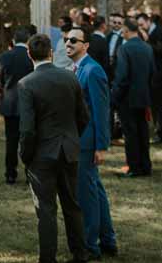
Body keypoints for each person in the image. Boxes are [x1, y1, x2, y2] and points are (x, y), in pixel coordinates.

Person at [18, 33, 90, 263]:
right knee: (72, 206)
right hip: (69, 149)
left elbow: (27, 129)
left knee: (46, 211)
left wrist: (26, 155)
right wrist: (72, 137)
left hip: (42, 155)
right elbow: (84, 117)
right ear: (50, 52)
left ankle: (47, 259)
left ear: (29, 54)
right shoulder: (70, 78)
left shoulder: (26, 83)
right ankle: (80, 255)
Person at [65, 28, 117, 259]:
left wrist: (101, 146)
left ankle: (90, 245)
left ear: (85, 45)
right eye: (66, 39)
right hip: (78, 139)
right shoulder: (75, 69)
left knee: (85, 193)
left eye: (73, 40)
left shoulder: (93, 70)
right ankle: (108, 240)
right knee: (95, 189)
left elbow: (101, 110)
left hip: (87, 142)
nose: (68, 43)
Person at [113, 17, 155, 178]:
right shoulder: (147, 48)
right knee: (142, 132)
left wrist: (115, 96)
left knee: (130, 134)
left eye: (123, 30)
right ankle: (145, 165)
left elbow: (122, 77)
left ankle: (134, 167)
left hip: (128, 98)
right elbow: (153, 73)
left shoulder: (125, 49)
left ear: (127, 31)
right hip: (143, 96)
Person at [0, 26, 35, 185]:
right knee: (29, 140)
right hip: (28, 103)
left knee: (11, 141)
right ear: (27, 40)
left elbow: (1, 80)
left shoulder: (5, 56)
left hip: (10, 102)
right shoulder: (31, 56)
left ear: (13, 40)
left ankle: (10, 174)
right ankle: (29, 173)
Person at [145, 14, 162, 143]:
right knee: (155, 105)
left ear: (149, 21)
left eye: (142, 24)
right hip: (153, 74)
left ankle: (161, 133)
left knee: (159, 105)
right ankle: (158, 131)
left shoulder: (159, 32)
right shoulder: (152, 31)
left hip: (159, 75)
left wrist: (147, 43)